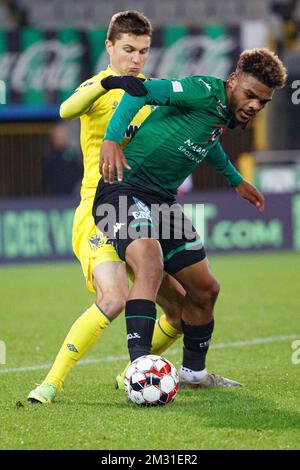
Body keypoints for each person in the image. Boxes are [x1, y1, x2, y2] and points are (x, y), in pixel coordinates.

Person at [94, 48, 287, 387]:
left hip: (163, 201)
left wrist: (235, 180)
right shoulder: (202, 90)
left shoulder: (222, 114)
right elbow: (141, 90)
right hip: (122, 190)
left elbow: (207, 141)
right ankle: (140, 371)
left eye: (264, 101)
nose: (256, 105)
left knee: (205, 289)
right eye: (251, 95)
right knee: (150, 261)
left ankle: (194, 374)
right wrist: (111, 138)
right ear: (233, 81)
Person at [27, 10, 186, 404]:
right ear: (109, 46)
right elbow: (66, 110)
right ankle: (50, 384)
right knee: (113, 298)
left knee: (183, 310)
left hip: (140, 211)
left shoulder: (151, 91)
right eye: (128, 49)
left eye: (143, 51)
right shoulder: (97, 86)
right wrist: (108, 81)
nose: (136, 58)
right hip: (99, 212)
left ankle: (131, 375)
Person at [42, 124, 82, 196]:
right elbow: (45, 175)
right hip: (53, 195)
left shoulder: (71, 154)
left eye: (63, 137)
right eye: (59, 137)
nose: (61, 139)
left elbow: (78, 171)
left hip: (71, 193)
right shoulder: (49, 156)